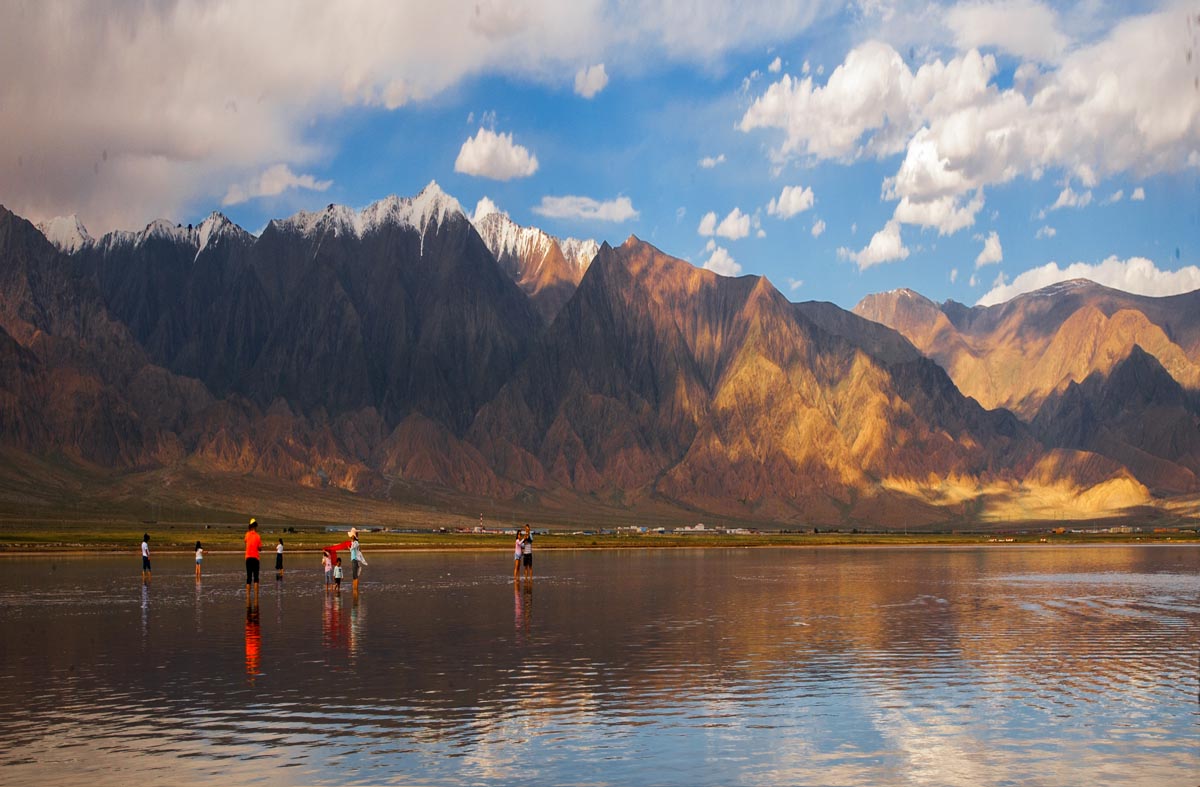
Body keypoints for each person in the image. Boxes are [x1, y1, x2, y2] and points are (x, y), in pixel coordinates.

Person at [244, 517, 262, 598]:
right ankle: (256, 597)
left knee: (248, 578)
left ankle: (247, 596)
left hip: (248, 558)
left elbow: (245, 541)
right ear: (255, 526)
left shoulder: (247, 534)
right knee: (256, 578)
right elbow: (259, 548)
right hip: (255, 558)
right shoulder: (258, 536)